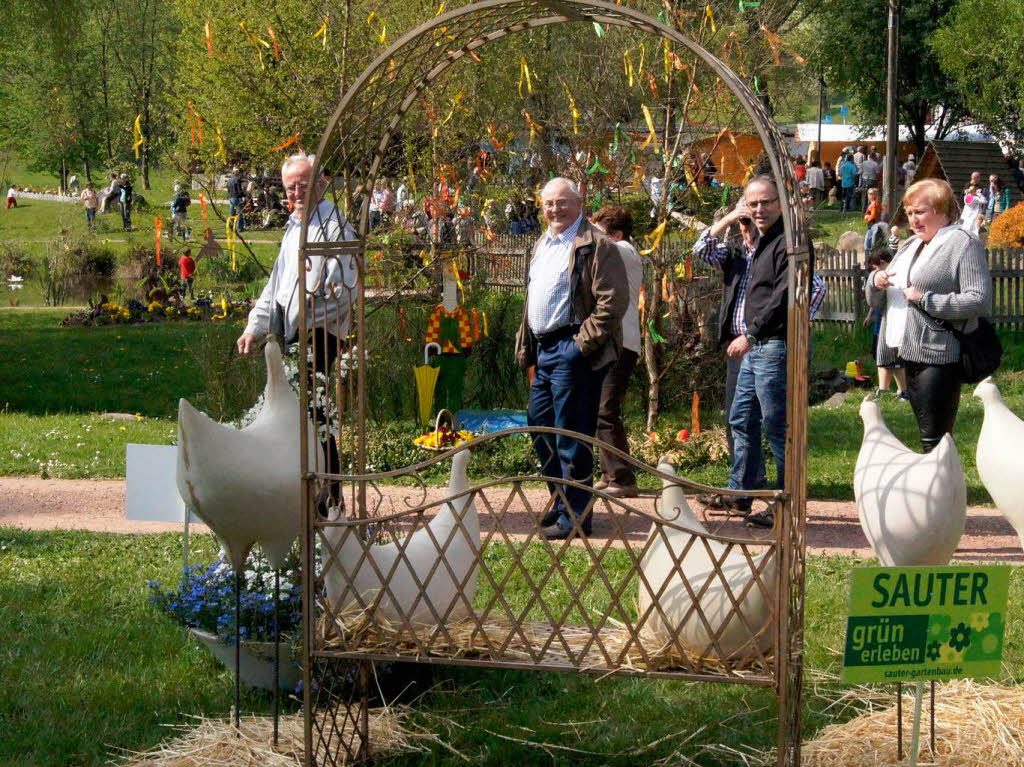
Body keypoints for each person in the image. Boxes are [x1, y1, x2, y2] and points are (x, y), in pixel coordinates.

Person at [691, 176, 823, 527]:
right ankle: (740, 492)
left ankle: (788, 506)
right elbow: (701, 249)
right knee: (739, 419)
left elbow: (784, 296)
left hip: (770, 345)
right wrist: (731, 219)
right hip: (751, 348)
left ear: (781, 203)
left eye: (766, 202)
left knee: (777, 427)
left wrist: (751, 334)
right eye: (753, 204)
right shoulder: (754, 243)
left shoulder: (790, 241)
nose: (759, 210)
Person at [237, 154, 357, 509]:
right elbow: (275, 287)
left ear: (322, 184)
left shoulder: (335, 228)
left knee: (314, 410)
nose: (297, 192)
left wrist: (306, 321)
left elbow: (344, 291)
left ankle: (331, 494)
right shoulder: (294, 228)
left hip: (321, 334)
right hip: (292, 335)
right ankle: (299, 486)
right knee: (295, 411)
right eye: (291, 187)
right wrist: (253, 328)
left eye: (304, 185)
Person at [514, 177, 628, 540]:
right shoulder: (544, 243)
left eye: (562, 202)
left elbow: (613, 302)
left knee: (571, 435)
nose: (554, 209)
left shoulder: (597, 245)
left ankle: (577, 515)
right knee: (541, 428)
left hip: (572, 348)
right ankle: (561, 502)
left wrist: (580, 346)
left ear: (579, 203)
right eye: (549, 203)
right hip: (544, 348)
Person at [865, 178, 992, 453]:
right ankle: (940, 490)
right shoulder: (910, 245)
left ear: (942, 209)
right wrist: (876, 280)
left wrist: (927, 300)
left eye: (920, 212)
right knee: (929, 436)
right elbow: (883, 295)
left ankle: (943, 493)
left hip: (939, 354)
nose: (914, 219)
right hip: (906, 352)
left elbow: (979, 300)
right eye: (910, 213)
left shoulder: (963, 243)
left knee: (935, 440)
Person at [590, 204, 643, 498]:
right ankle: (611, 472)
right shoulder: (618, 251)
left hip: (621, 342)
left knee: (605, 410)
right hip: (614, 340)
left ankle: (623, 478)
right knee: (602, 408)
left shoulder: (622, 250)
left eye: (600, 232)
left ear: (618, 234)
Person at [863, 246, 908, 400]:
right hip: (883, 320)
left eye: (876, 266)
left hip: (896, 321)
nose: (875, 270)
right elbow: (875, 300)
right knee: (882, 355)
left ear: (882, 262)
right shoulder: (878, 277)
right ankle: (884, 390)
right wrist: (870, 315)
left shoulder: (897, 274)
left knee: (896, 359)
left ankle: (903, 391)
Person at [226, 167, 246, 233]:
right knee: (239, 212)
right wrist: (244, 194)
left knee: (232, 213)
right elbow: (239, 190)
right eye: (238, 172)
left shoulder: (229, 180)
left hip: (230, 198)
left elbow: (228, 190)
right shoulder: (238, 179)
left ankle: (231, 226)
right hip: (237, 197)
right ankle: (240, 227)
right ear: (237, 172)